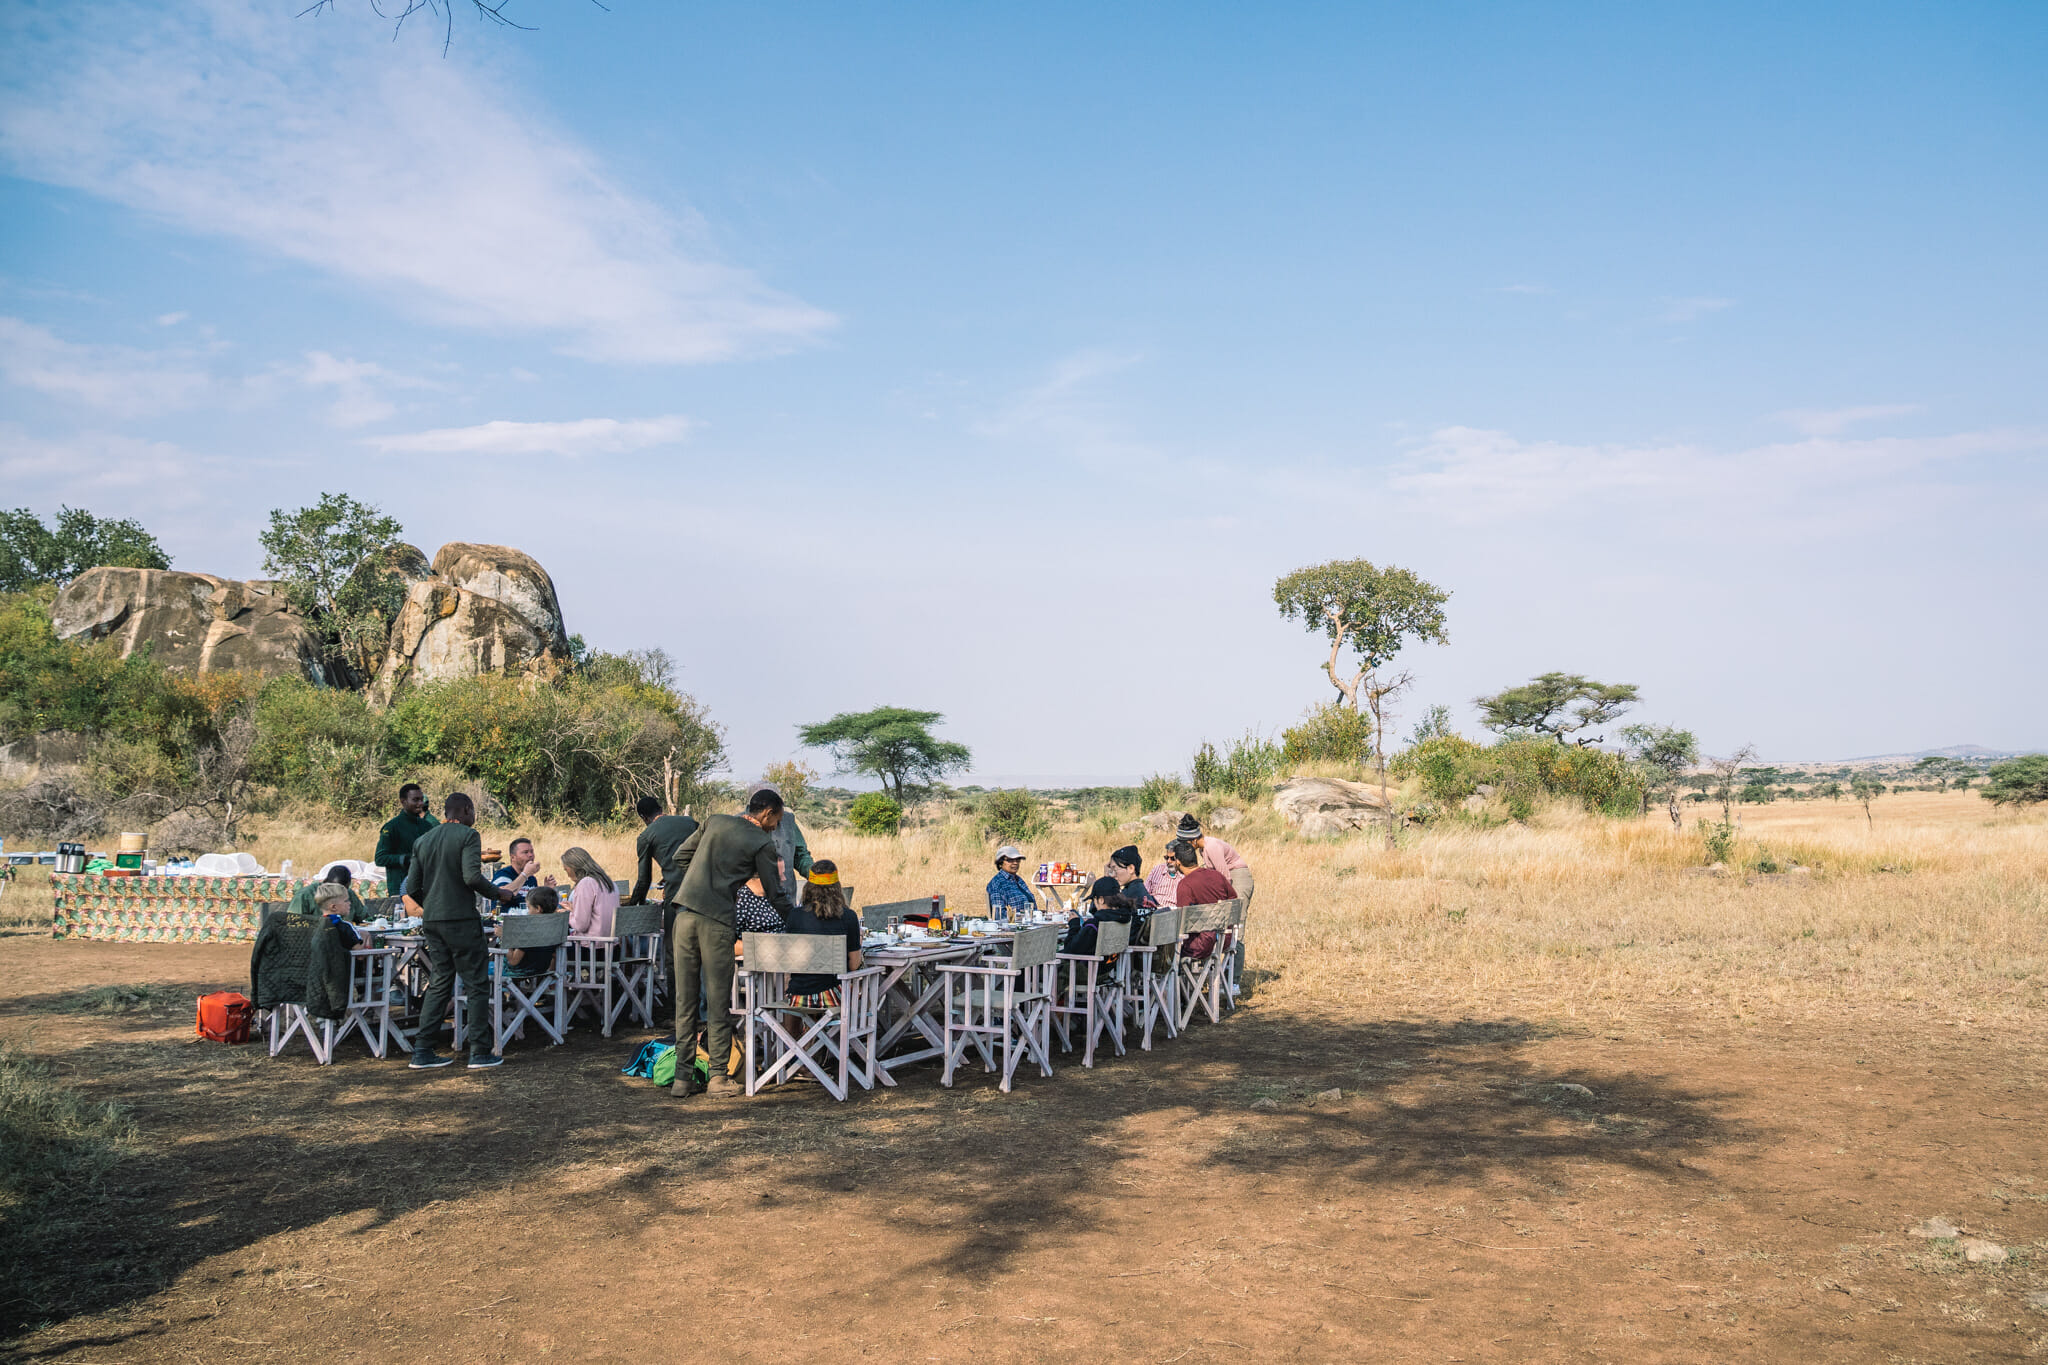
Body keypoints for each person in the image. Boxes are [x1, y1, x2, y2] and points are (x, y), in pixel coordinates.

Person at [667, 788, 798, 1096]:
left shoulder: (714, 821)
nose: (776, 827)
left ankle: (682, 1079)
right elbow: (775, 894)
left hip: (683, 916)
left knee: (685, 1000)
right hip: (717, 922)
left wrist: (703, 878)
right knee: (717, 1001)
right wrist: (797, 920)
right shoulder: (762, 843)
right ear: (767, 813)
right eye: (777, 821)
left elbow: (680, 857)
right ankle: (717, 1077)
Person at [403, 792, 517, 1071]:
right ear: (466, 810)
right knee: (476, 982)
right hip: (461, 919)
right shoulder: (468, 835)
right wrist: (499, 893)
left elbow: (412, 886)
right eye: (473, 811)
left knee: (440, 981)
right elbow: (471, 876)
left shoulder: (423, 840)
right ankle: (479, 1051)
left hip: (432, 921)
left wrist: (433, 903)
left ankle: (422, 1051)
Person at [627, 796, 700, 1012]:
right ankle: (702, 1005)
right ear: (660, 808)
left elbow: (643, 880)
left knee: (673, 952)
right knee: (702, 950)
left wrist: (634, 904)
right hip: (706, 893)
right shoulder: (689, 822)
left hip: (677, 898)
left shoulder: (646, 836)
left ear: (643, 817)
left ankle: (677, 1008)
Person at [1176, 814, 1256, 979]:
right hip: (1229, 879)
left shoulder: (1211, 847)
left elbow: (1224, 878)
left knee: (1235, 929)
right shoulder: (1203, 849)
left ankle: (1233, 980)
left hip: (1237, 877)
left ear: (1192, 840)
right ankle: (1219, 974)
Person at [780, 860, 861, 1008]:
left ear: (808, 887)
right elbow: (854, 965)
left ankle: (801, 1023)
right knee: (864, 989)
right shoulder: (848, 916)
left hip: (797, 997)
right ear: (837, 888)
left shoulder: (794, 915)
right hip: (832, 997)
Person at [1164, 838, 1234, 960]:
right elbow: (1233, 899)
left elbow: (1182, 920)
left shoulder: (1185, 884)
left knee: (1165, 948)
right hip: (1225, 938)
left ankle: (1175, 972)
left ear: (1178, 862)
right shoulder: (1217, 875)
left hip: (1201, 945)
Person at [744, 781, 813, 905]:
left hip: (785, 898)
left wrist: (815, 874)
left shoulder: (787, 821)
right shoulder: (738, 824)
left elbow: (800, 855)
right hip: (750, 901)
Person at [374, 783, 438, 895]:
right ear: (403, 802)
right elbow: (380, 858)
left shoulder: (427, 826)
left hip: (424, 887)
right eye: (415, 800)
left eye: (421, 799)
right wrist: (405, 859)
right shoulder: (392, 827)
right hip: (400, 889)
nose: (420, 803)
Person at [1061, 875, 1138, 957]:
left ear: (1101, 900)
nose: (1094, 904)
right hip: (1110, 963)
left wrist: (1074, 925)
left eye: (1094, 900)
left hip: (1087, 964)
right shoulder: (1125, 918)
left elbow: (1070, 950)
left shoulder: (1095, 925)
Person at [503, 884, 562, 976]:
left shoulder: (529, 928)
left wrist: (504, 936)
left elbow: (513, 961)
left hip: (517, 972)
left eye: (529, 907)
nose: (528, 912)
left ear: (538, 908)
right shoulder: (557, 926)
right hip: (543, 971)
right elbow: (555, 955)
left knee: (484, 966)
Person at [561, 846, 619, 938]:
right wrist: (574, 910)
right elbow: (598, 913)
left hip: (592, 943)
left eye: (566, 869)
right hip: (611, 943)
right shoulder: (609, 882)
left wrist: (565, 915)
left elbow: (581, 926)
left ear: (573, 867)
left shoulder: (586, 883)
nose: (567, 875)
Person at [287, 865, 368, 923]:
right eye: (334, 889)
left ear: (348, 885)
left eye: (342, 890)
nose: (338, 892)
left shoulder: (349, 894)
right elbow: (293, 924)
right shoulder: (305, 896)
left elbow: (364, 918)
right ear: (326, 882)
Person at [492, 837, 551, 909]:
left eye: (532, 851)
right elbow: (502, 896)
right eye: (525, 852)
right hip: (507, 915)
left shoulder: (531, 879)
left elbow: (536, 906)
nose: (530, 855)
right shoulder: (503, 875)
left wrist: (546, 890)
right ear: (513, 857)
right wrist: (525, 874)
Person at [985, 845, 1036, 919]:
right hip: (1014, 924)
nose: (1015, 863)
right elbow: (999, 914)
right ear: (1000, 863)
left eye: (1017, 860)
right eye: (1010, 860)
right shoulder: (997, 883)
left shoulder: (1018, 880)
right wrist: (1023, 917)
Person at [1106, 846, 1158, 910]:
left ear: (1131, 868)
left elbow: (1100, 908)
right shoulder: (1140, 891)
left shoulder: (1128, 896)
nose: (1112, 875)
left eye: (1115, 869)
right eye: (1111, 871)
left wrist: (1106, 880)